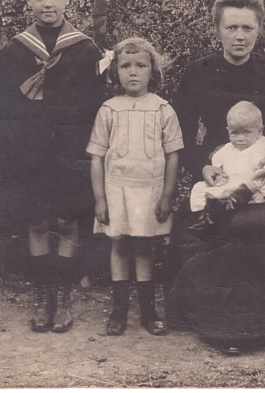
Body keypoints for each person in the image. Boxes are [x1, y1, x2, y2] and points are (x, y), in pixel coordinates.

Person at [169, 0, 265, 356]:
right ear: (218, 30)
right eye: (231, 27)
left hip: (263, 169)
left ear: (259, 29)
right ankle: (219, 323)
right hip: (219, 169)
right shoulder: (199, 71)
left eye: (247, 27)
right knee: (209, 226)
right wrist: (203, 166)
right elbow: (179, 129)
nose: (239, 35)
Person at [0, 0, 107, 333]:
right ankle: (43, 292)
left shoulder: (84, 49)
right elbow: (6, 107)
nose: (48, 4)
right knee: (37, 220)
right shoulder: (15, 49)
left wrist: (90, 151)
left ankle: (62, 293)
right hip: (30, 150)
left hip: (71, 150)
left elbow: (95, 107)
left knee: (65, 220)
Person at [88, 38, 183, 336]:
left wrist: (167, 195)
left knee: (144, 247)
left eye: (140, 66)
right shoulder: (108, 110)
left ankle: (148, 312)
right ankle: (119, 313)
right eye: (125, 66)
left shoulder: (162, 109)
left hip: (150, 191)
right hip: (117, 190)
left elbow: (173, 156)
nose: (133, 72)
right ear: (114, 71)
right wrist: (100, 199)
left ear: (152, 71)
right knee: (119, 245)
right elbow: (96, 158)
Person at [189, 101, 265, 212]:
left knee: (252, 189)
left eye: (247, 132)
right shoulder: (227, 148)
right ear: (227, 131)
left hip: (256, 185)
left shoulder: (262, 145)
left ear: (260, 132)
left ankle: (227, 205)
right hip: (231, 183)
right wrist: (218, 175)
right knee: (199, 189)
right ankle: (206, 213)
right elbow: (216, 164)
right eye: (234, 133)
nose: (240, 138)